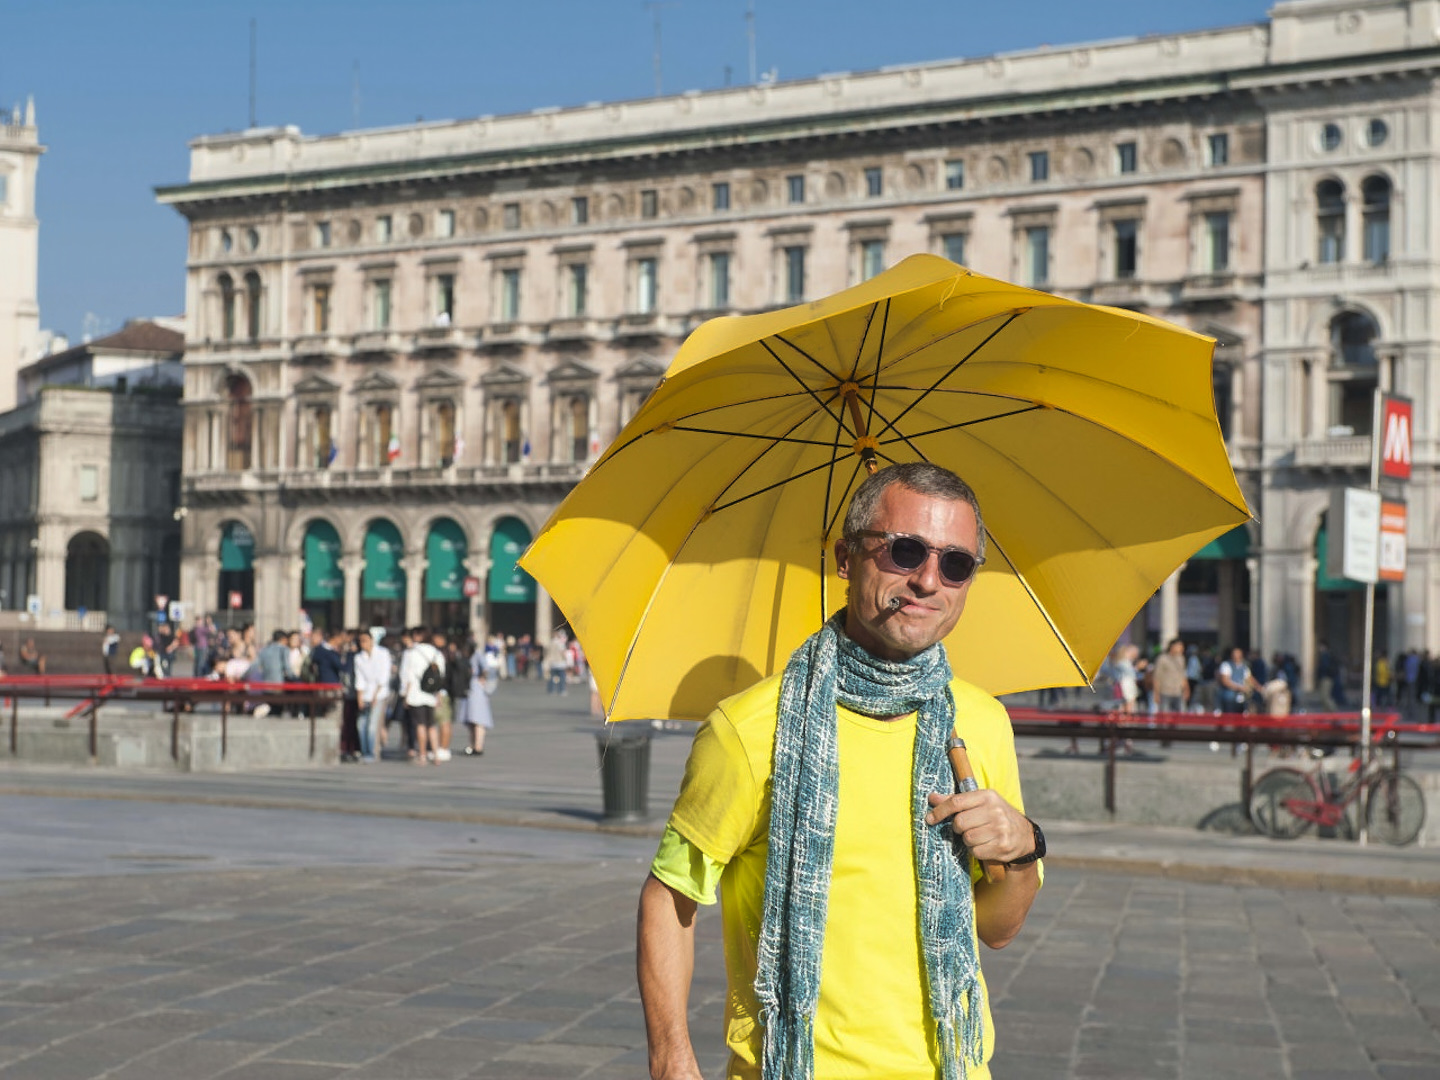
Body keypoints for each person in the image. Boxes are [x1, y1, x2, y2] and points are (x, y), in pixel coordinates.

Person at [638, 463, 1041, 1080]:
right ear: (846, 558)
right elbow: (670, 895)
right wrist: (671, 1060)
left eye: (956, 564)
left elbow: (999, 929)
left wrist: (1018, 848)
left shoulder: (981, 723)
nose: (929, 580)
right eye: (905, 551)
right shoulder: (749, 728)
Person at [399, 626, 444, 764]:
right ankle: (435, 754)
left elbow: (406, 675)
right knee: (432, 726)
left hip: (415, 694)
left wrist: (404, 695)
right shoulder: (437, 653)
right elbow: (440, 676)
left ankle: (423, 754)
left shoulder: (411, 653)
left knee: (420, 725)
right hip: (431, 694)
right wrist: (439, 695)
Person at [352, 629, 392, 763]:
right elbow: (360, 679)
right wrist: (360, 697)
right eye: (361, 641)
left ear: (372, 640)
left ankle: (371, 753)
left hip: (379, 694)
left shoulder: (383, 653)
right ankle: (364, 751)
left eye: (365, 640)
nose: (363, 644)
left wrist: (375, 696)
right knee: (361, 724)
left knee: (372, 725)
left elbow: (384, 676)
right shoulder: (359, 657)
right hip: (365, 694)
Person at [457, 639, 495, 756]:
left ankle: (478, 746)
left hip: (476, 688)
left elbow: (486, 668)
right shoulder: (463, 656)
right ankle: (473, 745)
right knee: (470, 720)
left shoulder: (477, 655)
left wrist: (482, 679)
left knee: (478, 718)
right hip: (467, 687)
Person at [1216, 645, 1259, 714]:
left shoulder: (1244, 667)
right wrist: (1239, 687)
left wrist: (1259, 688)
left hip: (1241, 694)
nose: (1236, 656)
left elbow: (1250, 679)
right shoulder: (1226, 665)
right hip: (1229, 693)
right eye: (1234, 654)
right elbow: (1225, 681)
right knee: (1228, 697)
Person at [547, 628, 570, 695]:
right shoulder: (560, 643)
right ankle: (562, 690)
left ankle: (551, 690)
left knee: (552, 677)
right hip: (560, 662)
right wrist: (566, 659)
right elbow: (562, 652)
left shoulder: (551, 642)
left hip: (552, 662)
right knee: (562, 677)